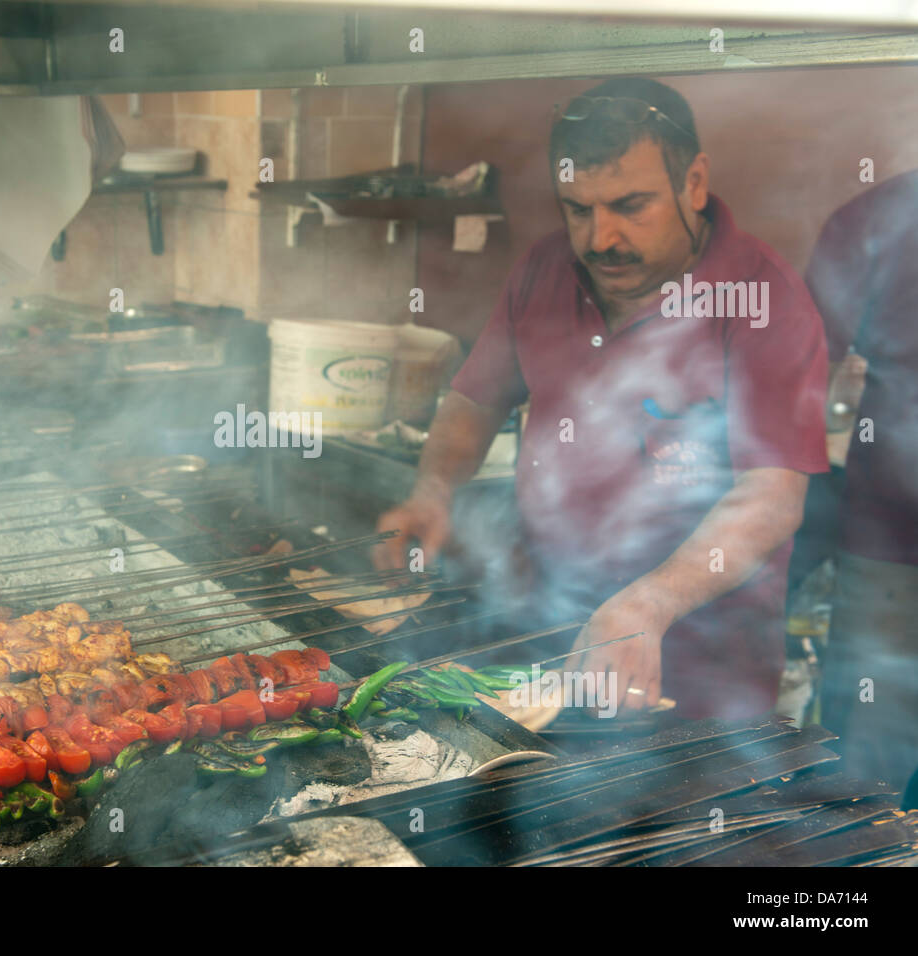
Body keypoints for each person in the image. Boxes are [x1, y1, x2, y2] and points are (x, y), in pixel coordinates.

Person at [374, 77, 829, 720]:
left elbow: (772, 492)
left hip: (693, 666)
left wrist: (649, 603)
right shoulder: (543, 268)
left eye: (630, 204)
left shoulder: (764, 299)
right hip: (539, 631)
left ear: (693, 183)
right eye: (578, 208)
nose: (600, 238)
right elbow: (474, 401)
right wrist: (433, 491)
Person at [804, 169, 918, 806]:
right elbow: (802, 369)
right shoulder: (874, 219)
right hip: (891, 551)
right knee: (868, 778)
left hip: (884, 546)